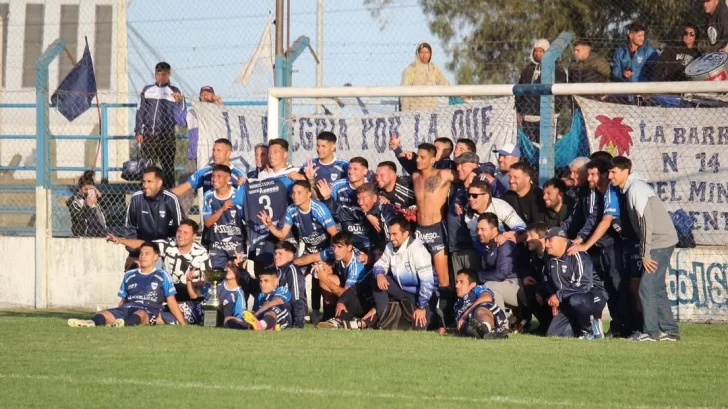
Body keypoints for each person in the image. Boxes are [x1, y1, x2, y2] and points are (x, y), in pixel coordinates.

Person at [608, 156, 680, 342]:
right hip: (661, 241)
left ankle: (651, 332)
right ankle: (670, 331)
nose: (610, 176)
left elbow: (646, 222)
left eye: (613, 171)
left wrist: (646, 254)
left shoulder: (636, 189)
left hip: (659, 242)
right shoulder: (632, 188)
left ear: (625, 171)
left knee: (646, 287)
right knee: (656, 287)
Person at [567, 160, 627, 337]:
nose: (588, 177)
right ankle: (613, 327)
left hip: (611, 246)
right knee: (606, 287)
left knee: (618, 286)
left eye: (592, 174)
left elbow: (599, 221)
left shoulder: (607, 192)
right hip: (601, 247)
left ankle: (625, 326)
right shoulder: (592, 192)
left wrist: (583, 243)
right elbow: (590, 218)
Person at [68, 242, 186, 328]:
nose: (143, 256)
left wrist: (183, 323)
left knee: (140, 314)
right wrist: (117, 310)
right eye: (141, 253)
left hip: (148, 310)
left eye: (147, 254)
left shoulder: (162, 275)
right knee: (102, 314)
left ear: (155, 257)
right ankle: (90, 322)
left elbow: (171, 301)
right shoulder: (129, 275)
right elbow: (123, 300)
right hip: (127, 308)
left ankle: (122, 323)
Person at [410, 143, 456, 325]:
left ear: (433, 158)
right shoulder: (414, 176)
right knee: (421, 274)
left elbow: (466, 174)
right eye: (417, 157)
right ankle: (426, 315)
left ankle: (447, 320)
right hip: (419, 231)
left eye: (422, 157)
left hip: (437, 230)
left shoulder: (443, 174)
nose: (418, 160)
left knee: (443, 278)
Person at [108, 219, 210, 296]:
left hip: (191, 291)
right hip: (169, 290)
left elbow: (207, 280)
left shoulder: (202, 253)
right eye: (179, 231)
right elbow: (144, 244)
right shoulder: (168, 244)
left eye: (185, 233)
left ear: (193, 236)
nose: (180, 235)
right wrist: (120, 240)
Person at [369, 216, 435, 330]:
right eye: (390, 234)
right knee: (376, 280)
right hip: (402, 290)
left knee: (420, 328)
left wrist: (421, 307)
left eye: (395, 234)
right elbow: (380, 264)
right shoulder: (390, 246)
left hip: (421, 295)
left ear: (405, 234)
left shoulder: (418, 250)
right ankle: (384, 320)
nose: (391, 238)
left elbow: (427, 283)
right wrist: (380, 274)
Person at [541, 228, 603, 339]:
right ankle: (580, 330)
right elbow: (547, 278)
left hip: (593, 296)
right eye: (545, 240)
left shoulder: (578, 255)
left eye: (549, 240)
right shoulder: (549, 258)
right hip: (568, 299)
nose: (546, 244)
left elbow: (585, 286)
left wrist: (559, 296)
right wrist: (553, 296)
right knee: (553, 334)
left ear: (562, 240)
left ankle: (589, 330)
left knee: (576, 300)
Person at [134, 62, 186, 188]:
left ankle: (169, 194)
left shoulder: (175, 91)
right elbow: (140, 111)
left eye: (163, 74)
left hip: (167, 135)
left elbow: (181, 115)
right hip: (149, 135)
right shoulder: (147, 90)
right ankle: (147, 193)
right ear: (155, 74)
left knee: (168, 167)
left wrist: (180, 101)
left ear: (169, 74)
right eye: (158, 74)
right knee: (148, 168)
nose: (160, 77)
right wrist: (138, 131)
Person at [295, 231, 369, 320]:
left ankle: (347, 317)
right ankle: (329, 316)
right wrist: (289, 264)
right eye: (334, 246)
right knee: (326, 273)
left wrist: (324, 278)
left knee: (325, 279)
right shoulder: (334, 251)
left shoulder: (357, 265)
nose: (335, 251)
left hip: (359, 298)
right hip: (345, 288)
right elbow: (312, 257)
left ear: (349, 247)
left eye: (339, 247)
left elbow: (346, 295)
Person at [123, 166, 184, 270]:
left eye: (149, 181)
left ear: (159, 183)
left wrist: (169, 251)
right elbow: (130, 228)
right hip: (142, 251)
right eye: (143, 182)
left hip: (165, 252)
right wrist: (133, 254)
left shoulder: (171, 199)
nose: (145, 185)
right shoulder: (136, 199)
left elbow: (180, 228)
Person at [475, 213, 527, 317]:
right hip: (502, 284)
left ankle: (502, 324)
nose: (479, 233)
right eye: (478, 229)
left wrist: (477, 276)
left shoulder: (505, 244)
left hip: (515, 285)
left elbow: (501, 274)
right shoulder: (487, 245)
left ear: (494, 230)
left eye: (482, 229)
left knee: (489, 286)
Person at [179, 85, 222, 208]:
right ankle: (182, 219)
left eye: (208, 93)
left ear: (213, 96)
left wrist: (220, 105)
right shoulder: (193, 112)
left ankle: (209, 219)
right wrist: (179, 102)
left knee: (212, 188)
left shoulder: (218, 111)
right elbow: (180, 120)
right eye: (203, 93)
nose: (205, 95)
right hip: (194, 156)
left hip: (212, 158)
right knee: (185, 187)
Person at [516, 38, 566, 143]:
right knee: (529, 147)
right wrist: (521, 109)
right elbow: (519, 91)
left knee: (547, 147)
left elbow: (561, 93)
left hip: (548, 117)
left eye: (541, 51)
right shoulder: (527, 70)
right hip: (529, 117)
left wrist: (555, 109)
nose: (537, 54)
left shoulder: (557, 70)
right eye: (536, 51)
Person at [318, 157, 371, 252]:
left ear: (365, 171)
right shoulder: (338, 186)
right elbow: (325, 205)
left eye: (355, 169)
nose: (350, 172)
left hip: (368, 236)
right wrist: (325, 197)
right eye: (349, 168)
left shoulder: (373, 186)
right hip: (345, 233)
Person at [202, 165, 246, 270]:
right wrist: (222, 209)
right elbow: (207, 223)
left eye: (219, 176)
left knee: (238, 276)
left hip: (236, 245)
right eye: (213, 176)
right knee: (217, 277)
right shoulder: (208, 196)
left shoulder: (238, 195)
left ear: (228, 179)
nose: (214, 179)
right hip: (217, 246)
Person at [464, 180, 527, 253]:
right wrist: (487, 253)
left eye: (475, 196)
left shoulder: (500, 206)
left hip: (512, 251)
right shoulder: (468, 216)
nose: (470, 199)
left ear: (486, 196)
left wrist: (507, 236)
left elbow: (522, 227)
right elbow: (476, 241)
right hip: (490, 254)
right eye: (468, 195)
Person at [447, 152, 484, 274]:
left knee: (473, 283)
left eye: (462, 164)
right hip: (455, 247)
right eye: (457, 165)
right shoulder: (459, 185)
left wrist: (475, 172)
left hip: (470, 248)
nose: (458, 168)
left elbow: (489, 166)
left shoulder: (479, 181)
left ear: (475, 165)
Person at [171, 138, 246, 198]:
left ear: (228, 153)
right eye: (213, 150)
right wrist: (163, 197)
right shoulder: (205, 171)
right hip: (210, 216)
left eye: (219, 151)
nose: (214, 153)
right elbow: (184, 187)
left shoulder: (238, 174)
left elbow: (246, 198)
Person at [224, 267, 291, 331]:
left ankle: (262, 325)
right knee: (228, 319)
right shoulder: (260, 296)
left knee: (273, 310)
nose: (262, 284)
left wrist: (256, 314)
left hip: (281, 318)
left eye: (266, 281)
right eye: (261, 281)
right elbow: (255, 312)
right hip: (260, 319)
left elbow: (276, 302)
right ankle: (255, 327)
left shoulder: (281, 290)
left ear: (276, 281)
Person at [183, 258, 245, 326]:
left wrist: (227, 319)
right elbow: (194, 296)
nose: (228, 269)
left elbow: (240, 319)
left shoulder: (239, 295)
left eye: (232, 267)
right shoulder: (216, 282)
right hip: (189, 310)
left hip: (208, 322)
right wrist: (188, 280)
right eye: (227, 266)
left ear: (239, 271)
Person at [451, 269, 508, 339]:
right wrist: (448, 330)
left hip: (490, 315)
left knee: (479, 310)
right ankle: (487, 334)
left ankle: (485, 329)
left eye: (461, 282)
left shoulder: (477, 289)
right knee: (466, 327)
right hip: (472, 323)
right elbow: (458, 324)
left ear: (472, 285)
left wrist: (465, 315)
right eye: (456, 282)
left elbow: (487, 297)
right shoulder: (457, 304)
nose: (457, 286)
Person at [400, 42, 450, 112]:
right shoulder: (411, 69)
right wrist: (405, 112)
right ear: (417, 53)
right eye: (421, 52)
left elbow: (444, 83)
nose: (424, 55)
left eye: (427, 52)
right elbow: (404, 92)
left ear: (430, 54)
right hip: (415, 110)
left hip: (431, 110)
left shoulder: (433, 68)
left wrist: (457, 93)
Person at [356, 183, 399, 255]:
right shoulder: (367, 209)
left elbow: (392, 240)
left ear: (375, 198)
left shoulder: (386, 211)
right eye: (358, 198)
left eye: (363, 198)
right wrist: (367, 214)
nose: (360, 202)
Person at [272, 241, 307, 328]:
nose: (276, 256)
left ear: (291, 255)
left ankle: (262, 324)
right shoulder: (277, 270)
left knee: (274, 311)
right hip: (278, 308)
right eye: (275, 253)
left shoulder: (292, 270)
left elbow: (298, 297)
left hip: (287, 311)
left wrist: (298, 323)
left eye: (280, 253)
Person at [502, 161, 547, 225]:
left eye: (515, 177)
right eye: (510, 177)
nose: (511, 181)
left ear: (527, 179)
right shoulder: (507, 196)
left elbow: (538, 225)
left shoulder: (539, 197)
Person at [66, 170, 107, 237]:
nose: (88, 192)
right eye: (86, 189)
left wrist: (100, 197)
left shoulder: (95, 198)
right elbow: (79, 217)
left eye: (90, 189)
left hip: (99, 231)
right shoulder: (73, 201)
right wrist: (88, 205)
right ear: (80, 188)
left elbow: (106, 209)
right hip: (83, 232)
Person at [389, 134, 454, 174]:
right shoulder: (431, 164)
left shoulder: (449, 165)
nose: (433, 150)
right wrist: (396, 148)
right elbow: (412, 169)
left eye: (437, 148)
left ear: (447, 151)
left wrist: (414, 157)